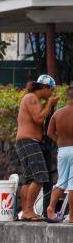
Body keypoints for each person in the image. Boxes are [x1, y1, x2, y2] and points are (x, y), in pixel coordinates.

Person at [14, 75, 59, 221]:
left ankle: (27, 211)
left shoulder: (32, 98)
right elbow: (39, 118)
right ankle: (27, 210)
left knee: (29, 179)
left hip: (26, 142)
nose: (51, 93)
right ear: (45, 87)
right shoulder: (31, 98)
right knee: (40, 177)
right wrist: (50, 104)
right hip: (29, 141)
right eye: (51, 90)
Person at [46, 85, 73, 223]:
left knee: (61, 181)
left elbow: (49, 132)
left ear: (66, 97)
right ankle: (72, 216)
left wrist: (59, 141)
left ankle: (50, 208)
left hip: (62, 150)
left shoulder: (58, 113)